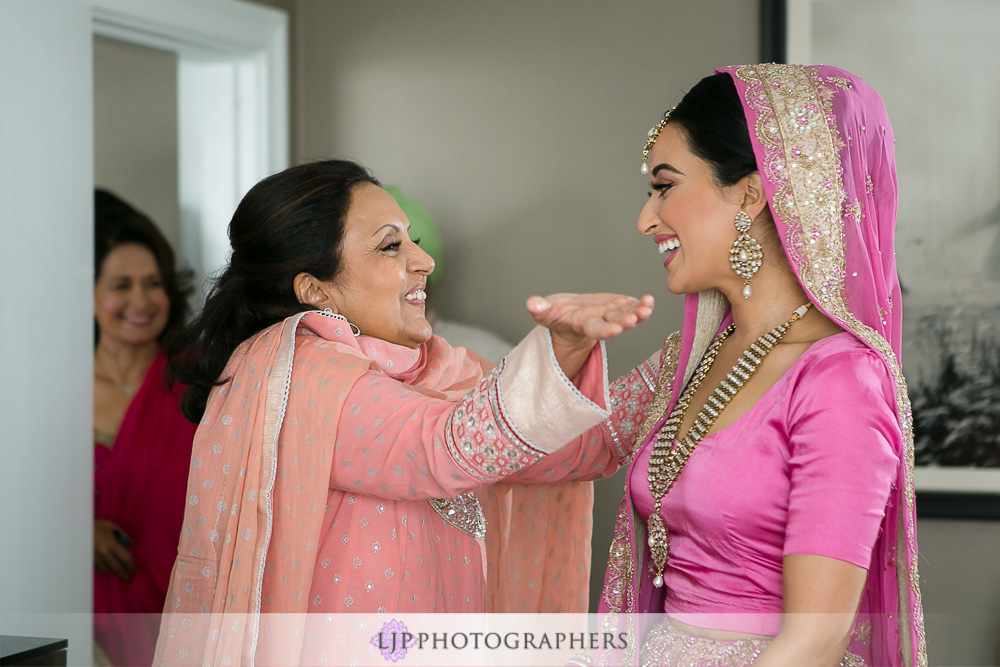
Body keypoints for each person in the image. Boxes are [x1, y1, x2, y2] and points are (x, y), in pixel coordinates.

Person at [152, 159, 655, 665]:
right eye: (391, 245)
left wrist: (695, 357)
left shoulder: (437, 370)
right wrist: (562, 346)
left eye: (412, 239)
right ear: (314, 289)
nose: (424, 260)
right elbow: (449, 447)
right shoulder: (307, 380)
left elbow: (574, 448)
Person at [579, 64, 926, 667]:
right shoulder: (696, 355)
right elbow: (572, 447)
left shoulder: (841, 378)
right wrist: (560, 347)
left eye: (664, 187)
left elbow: (814, 642)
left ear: (750, 192)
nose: (646, 219)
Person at [92, 190, 198, 666]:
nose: (140, 300)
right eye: (121, 284)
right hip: (81, 622)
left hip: (186, 616)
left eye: (153, 283)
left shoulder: (200, 378)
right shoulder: (44, 394)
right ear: (89, 293)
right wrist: (71, 531)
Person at [384, 186, 514, 364]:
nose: (423, 266)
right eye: (389, 248)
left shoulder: (489, 357)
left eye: (418, 247)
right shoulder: (341, 362)